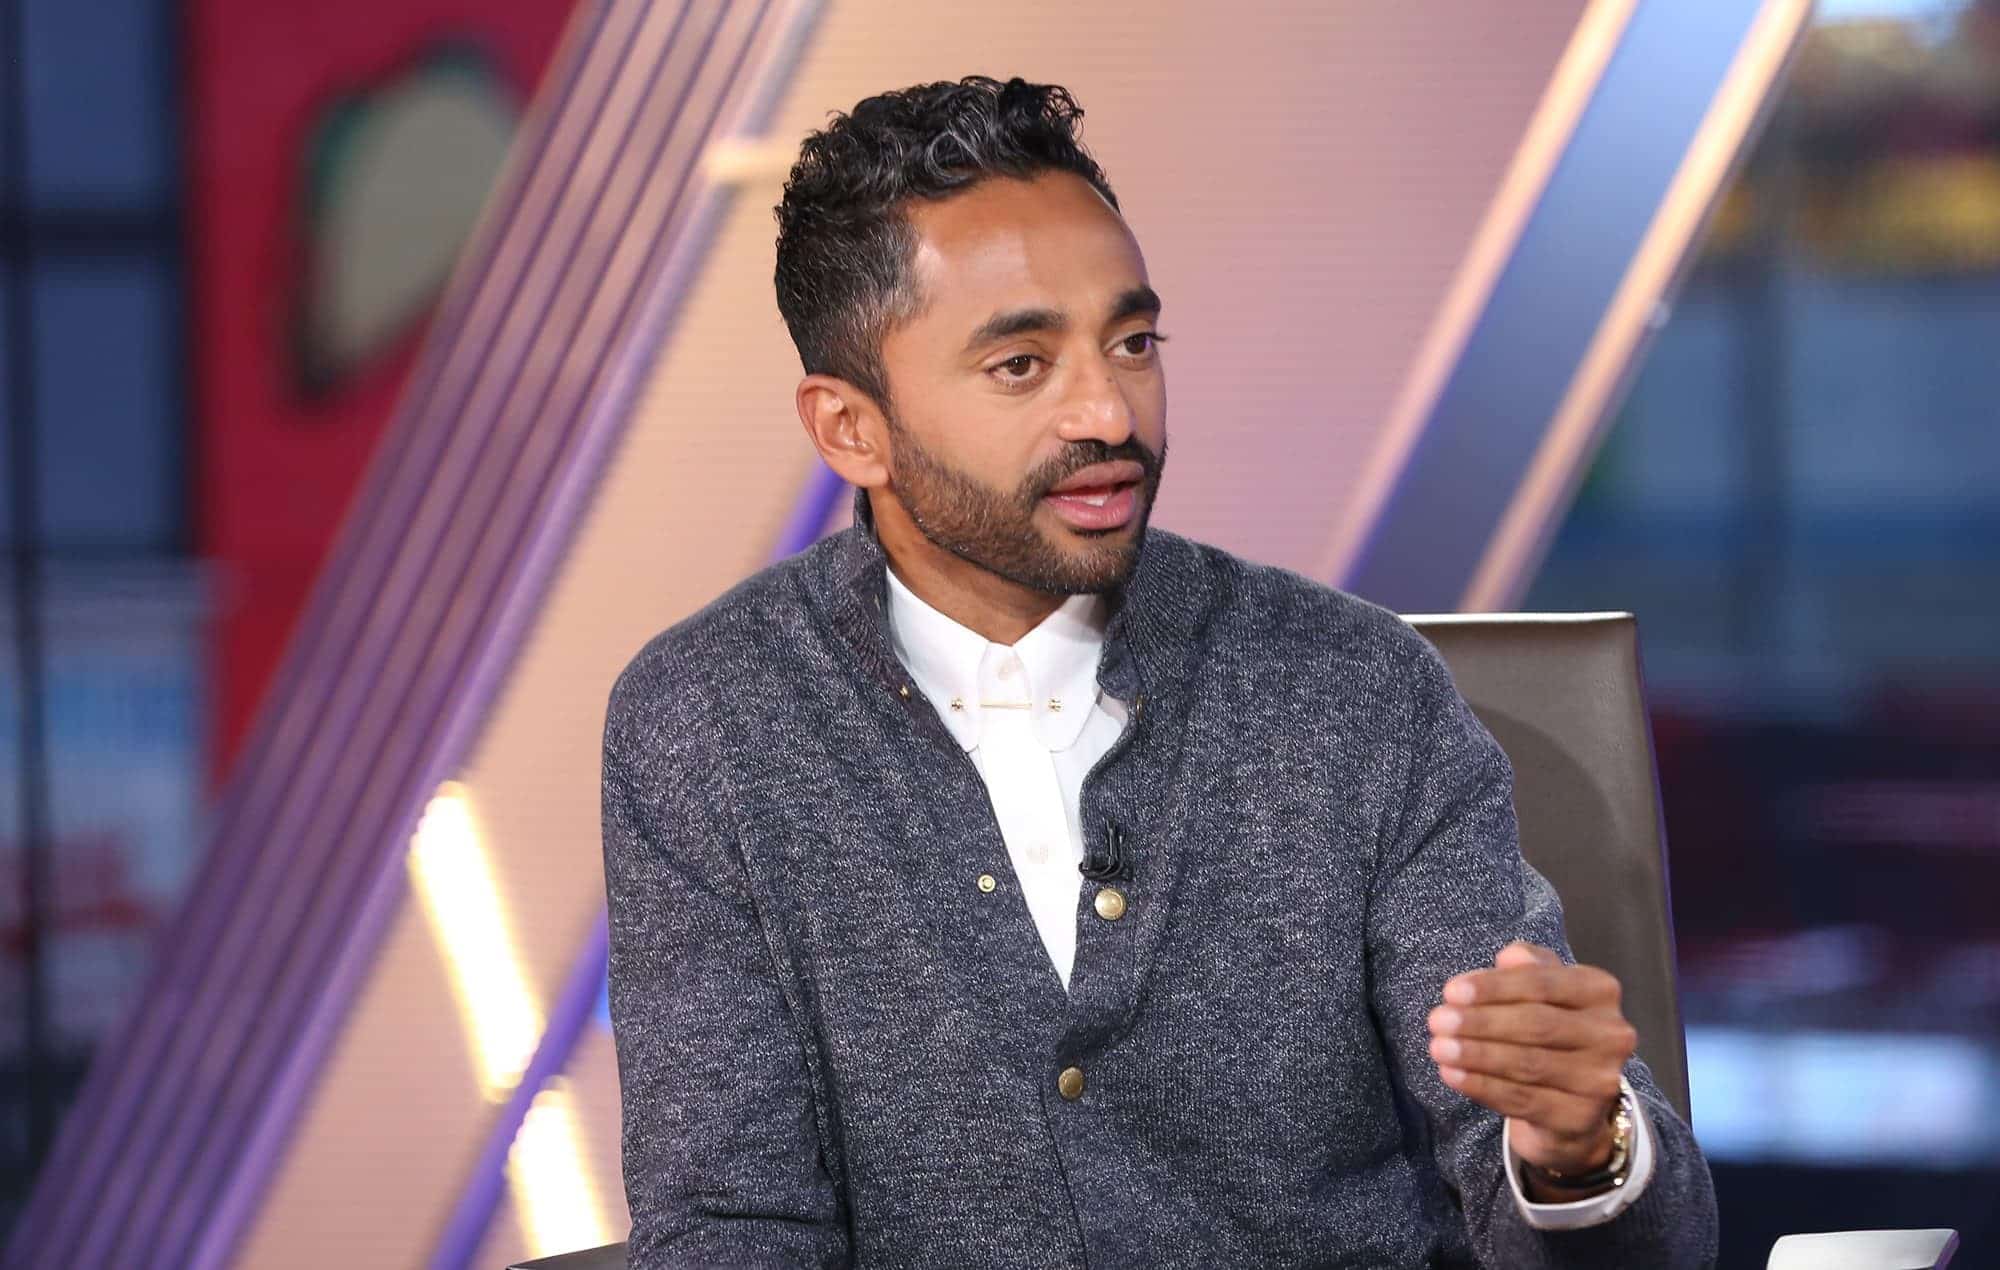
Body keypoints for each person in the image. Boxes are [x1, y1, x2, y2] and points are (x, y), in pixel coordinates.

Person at [602, 75, 1718, 1269]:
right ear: (849, 428)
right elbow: (729, 1226)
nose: (1107, 410)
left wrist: (1573, 1149)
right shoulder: (708, 720)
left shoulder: (1354, 691)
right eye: (1020, 364)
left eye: (1131, 343)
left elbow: (1618, 1223)